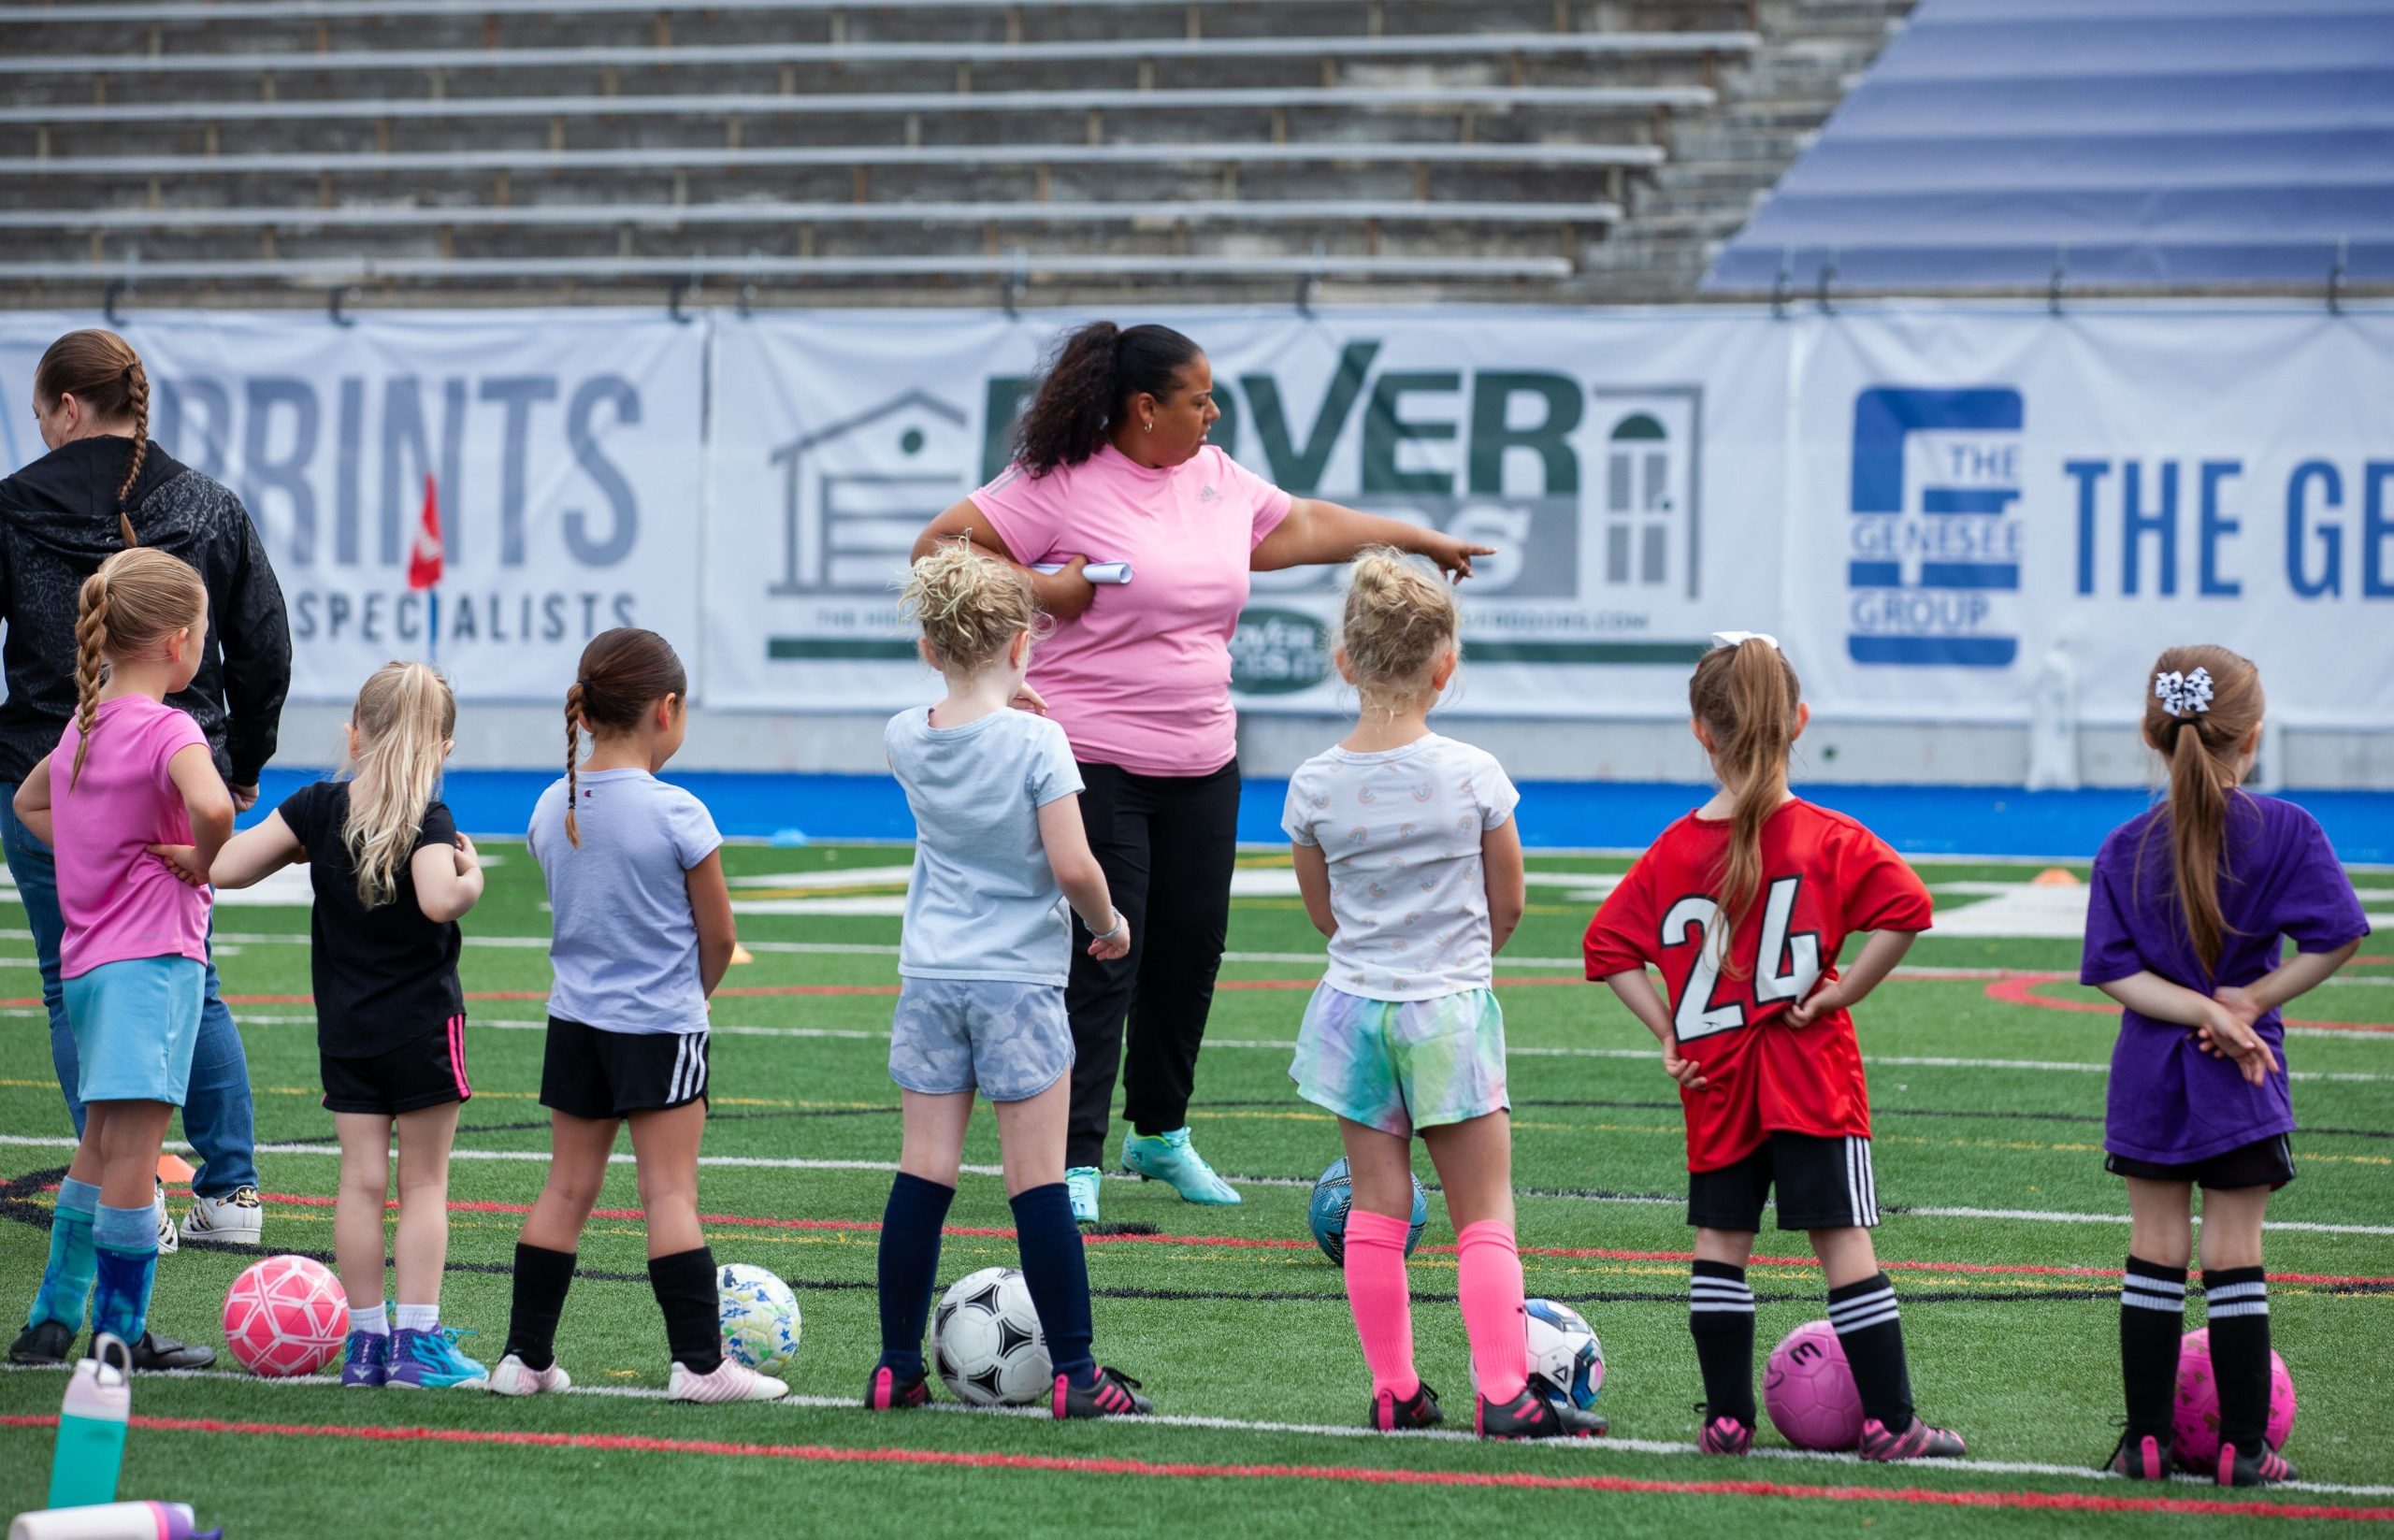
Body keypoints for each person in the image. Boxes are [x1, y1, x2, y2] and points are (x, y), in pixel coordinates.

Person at [911, 320, 1493, 1225]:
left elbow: (1301, 523)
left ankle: (1162, 1134)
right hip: (1093, 755)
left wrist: (1415, 537)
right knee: (1105, 956)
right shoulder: (1055, 483)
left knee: (1188, 949)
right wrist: (1045, 588)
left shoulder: (1216, 482)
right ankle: (1075, 1159)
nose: (1213, 412)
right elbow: (939, 547)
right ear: (1145, 408)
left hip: (1203, 756)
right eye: (1198, 398)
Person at [1582, 632, 1965, 1461]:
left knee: (1721, 1247)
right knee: (1844, 1245)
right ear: (1799, 720)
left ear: (1699, 730)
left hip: (1716, 1081)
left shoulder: (1672, 850)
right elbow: (1909, 908)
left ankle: (1726, 1419)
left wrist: (1671, 1028)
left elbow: (1606, 947)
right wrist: (1845, 989)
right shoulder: (1828, 836)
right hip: (1812, 1077)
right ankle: (1894, 1424)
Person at [1284, 551, 1598, 1440]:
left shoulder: (1312, 785)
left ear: (1344, 660)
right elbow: (1512, 900)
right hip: (1445, 1009)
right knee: (1482, 1213)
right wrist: (1466, 949)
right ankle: (1503, 1390)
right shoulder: (1473, 774)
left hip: (1353, 1010)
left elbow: (1323, 912)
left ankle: (1396, 1388)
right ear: (1443, 667)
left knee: (1377, 1207)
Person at [0, 328, 290, 1266]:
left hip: (53, 773)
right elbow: (265, 643)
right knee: (192, 986)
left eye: (40, 412)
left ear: (68, 407)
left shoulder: (10, 508)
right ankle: (231, 1188)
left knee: (69, 988)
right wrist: (243, 759)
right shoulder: (207, 505)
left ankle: (130, 1200)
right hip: (176, 770)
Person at [866, 542, 1151, 1419]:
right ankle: (1076, 1369)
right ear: (1024, 643)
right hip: (1018, 981)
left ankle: (893, 1365)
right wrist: (1110, 925)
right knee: (1038, 1180)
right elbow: (1073, 864)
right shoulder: (1040, 738)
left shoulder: (905, 734)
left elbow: (962, 734)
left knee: (924, 1173)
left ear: (928, 645)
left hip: (932, 978)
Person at [2083, 647, 2365, 1488]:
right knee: (2234, 1250)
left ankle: (2144, 1441)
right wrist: (2242, 1002)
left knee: (2154, 1248)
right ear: (2253, 737)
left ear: (2151, 733)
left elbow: (2112, 971)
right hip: (2243, 1076)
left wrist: (2200, 1007)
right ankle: (2245, 1444)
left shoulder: (2124, 845)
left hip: (2149, 1076)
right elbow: (2340, 934)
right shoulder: (2288, 830)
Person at [489, 628, 785, 1403]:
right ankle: (698, 1362)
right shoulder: (678, 810)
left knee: (564, 1189)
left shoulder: (554, 803)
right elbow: (719, 937)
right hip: (660, 1026)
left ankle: (523, 1358)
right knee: (669, 1195)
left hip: (574, 1024)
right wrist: (691, 995)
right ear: (668, 709)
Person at [208, 662, 490, 1390]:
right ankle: (417, 1342)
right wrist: (472, 879)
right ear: (444, 748)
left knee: (360, 1183)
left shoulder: (317, 806)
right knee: (423, 1182)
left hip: (347, 1029)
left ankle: (365, 1344)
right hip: (424, 1027)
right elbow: (437, 899)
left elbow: (229, 866)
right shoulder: (431, 820)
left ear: (354, 732)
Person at [7, 549, 233, 1372]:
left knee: (99, 1146)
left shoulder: (86, 723)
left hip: (91, 964)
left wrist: (95, 848)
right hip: (153, 963)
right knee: (135, 1153)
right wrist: (195, 855)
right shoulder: (172, 727)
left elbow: (30, 801)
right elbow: (213, 805)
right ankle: (122, 1329)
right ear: (177, 642)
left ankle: (52, 1320)